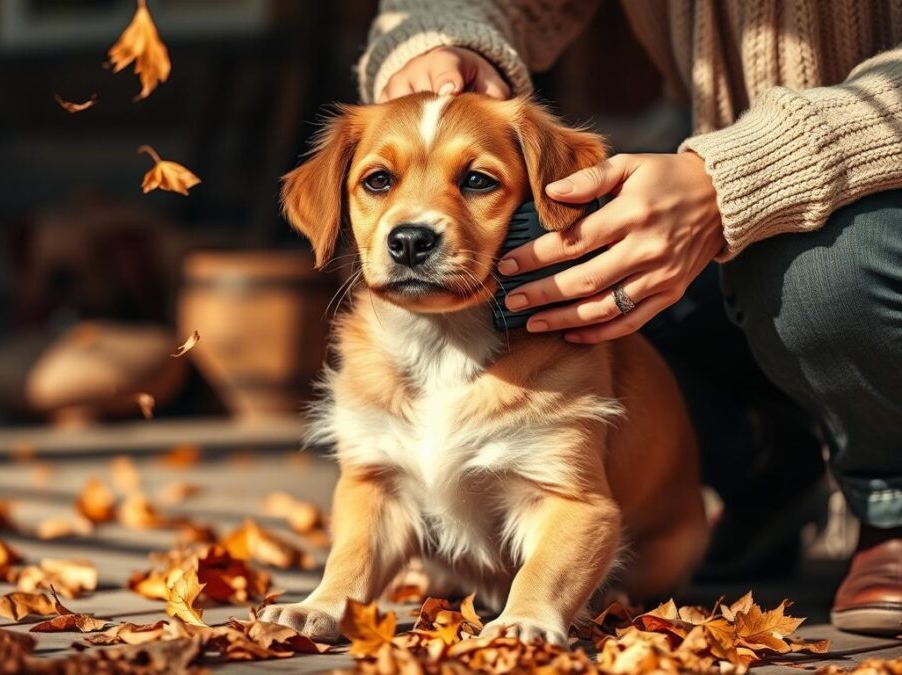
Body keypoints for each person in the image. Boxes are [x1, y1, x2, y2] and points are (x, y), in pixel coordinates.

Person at [358, 0, 902, 635]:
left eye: (477, 181)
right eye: (378, 182)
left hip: (864, 206)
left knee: (823, 275)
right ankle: (768, 472)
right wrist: (443, 41)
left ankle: (890, 501)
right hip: (722, 193)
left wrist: (731, 177)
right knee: (607, 293)